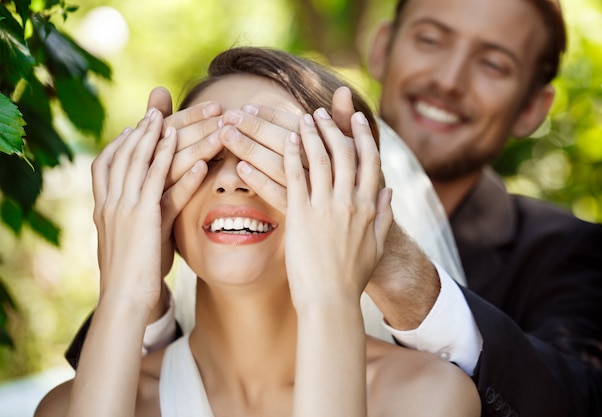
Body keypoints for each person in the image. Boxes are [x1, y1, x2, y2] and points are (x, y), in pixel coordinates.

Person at [65, 0, 602, 415]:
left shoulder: (561, 253)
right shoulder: (105, 377)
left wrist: (385, 270)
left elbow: (584, 404)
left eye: (272, 158)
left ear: (534, 107)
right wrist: (132, 290)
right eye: (431, 39)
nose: (448, 80)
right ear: (381, 48)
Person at [36, 47, 481, 417]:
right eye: (206, 158)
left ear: (351, 197)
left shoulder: (426, 398)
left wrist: (330, 296)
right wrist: (124, 293)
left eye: (273, 155)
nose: (233, 181)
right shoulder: (70, 408)